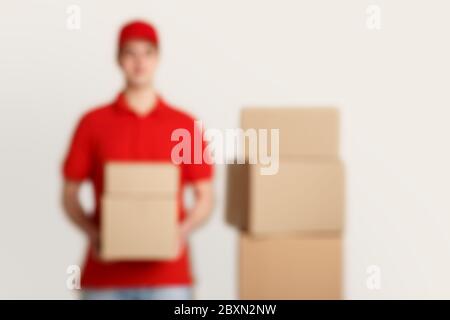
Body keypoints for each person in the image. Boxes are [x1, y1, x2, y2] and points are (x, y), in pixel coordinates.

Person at [61, 20, 214, 300]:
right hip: (105, 276)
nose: (139, 62)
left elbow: (205, 196)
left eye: (147, 53)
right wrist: (93, 232)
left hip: (169, 277)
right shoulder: (93, 123)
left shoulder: (185, 125)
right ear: (119, 59)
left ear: (158, 58)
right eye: (131, 53)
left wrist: (181, 232)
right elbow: (70, 193)